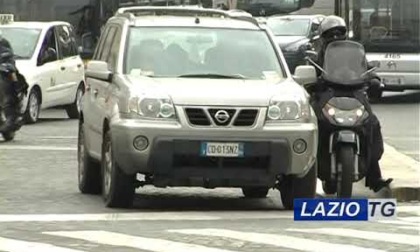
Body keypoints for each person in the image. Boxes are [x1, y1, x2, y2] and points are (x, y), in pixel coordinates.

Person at [310, 15, 392, 193]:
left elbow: (367, 68)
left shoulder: (355, 53)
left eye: (339, 33)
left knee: (372, 124)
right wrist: (310, 82)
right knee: (311, 124)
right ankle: (304, 172)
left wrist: (375, 80)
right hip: (327, 94)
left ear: (345, 34)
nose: (335, 37)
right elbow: (310, 71)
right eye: (330, 34)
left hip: (355, 94)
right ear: (323, 37)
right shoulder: (319, 56)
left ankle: (374, 176)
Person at [0, 34, 28, 130]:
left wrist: (4, 64)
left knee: (7, 84)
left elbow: (7, 56)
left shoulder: (3, 42)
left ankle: (12, 117)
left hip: (5, 71)